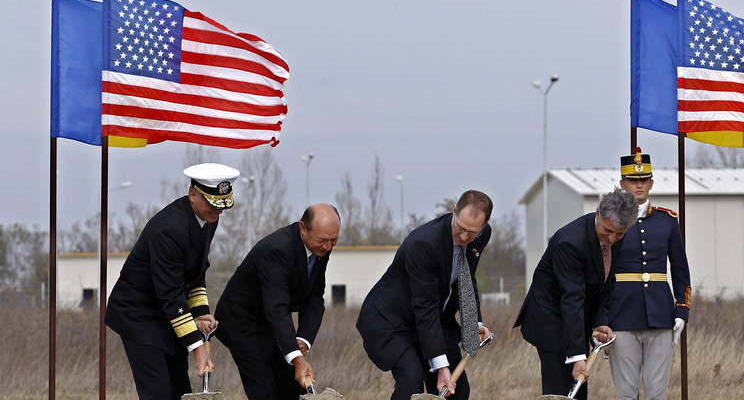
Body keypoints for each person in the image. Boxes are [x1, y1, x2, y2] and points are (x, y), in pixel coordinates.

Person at [105, 162, 240, 400]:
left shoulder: (208, 218)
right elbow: (170, 293)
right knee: (158, 391)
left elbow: (195, 274)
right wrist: (197, 346)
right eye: (212, 204)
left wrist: (200, 313)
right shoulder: (168, 229)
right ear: (192, 195)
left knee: (179, 389)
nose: (217, 212)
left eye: (222, 206)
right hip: (139, 314)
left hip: (169, 313)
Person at [356, 190, 493, 400]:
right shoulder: (424, 243)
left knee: (457, 391)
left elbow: (466, 278)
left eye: (472, 232)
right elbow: (424, 306)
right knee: (412, 382)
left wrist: (474, 323)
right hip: (394, 320)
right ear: (454, 212)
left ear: (485, 224)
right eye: (461, 228)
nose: (465, 237)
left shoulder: (481, 235)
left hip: (436, 319)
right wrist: (440, 366)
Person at [513, 188, 638, 400]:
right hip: (550, 318)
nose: (612, 238)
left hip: (575, 316)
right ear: (598, 213)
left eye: (619, 234)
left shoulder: (616, 234)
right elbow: (572, 298)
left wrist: (600, 321)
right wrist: (577, 356)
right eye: (607, 231)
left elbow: (606, 282)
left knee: (578, 390)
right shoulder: (569, 242)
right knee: (561, 391)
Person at [215, 203, 341, 400]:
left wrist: (303, 340)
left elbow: (314, 297)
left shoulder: (321, 248)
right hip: (242, 321)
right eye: (323, 240)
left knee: (292, 386)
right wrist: (296, 358)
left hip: (272, 320)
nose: (328, 246)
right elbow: (276, 307)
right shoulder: (276, 250)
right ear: (303, 228)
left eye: (334, 240)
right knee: (266, 389)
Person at [607, 148, 691, 400]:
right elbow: (600, 271)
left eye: (644, 180)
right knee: (627, 394)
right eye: (633, 180)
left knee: (657, 393)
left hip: (661, 314)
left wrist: (682, 309)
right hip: (621, 315)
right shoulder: (609, 221)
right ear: (622, 184)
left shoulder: (667, 221)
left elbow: (680, 269)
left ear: (652, 182)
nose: (639, 185)